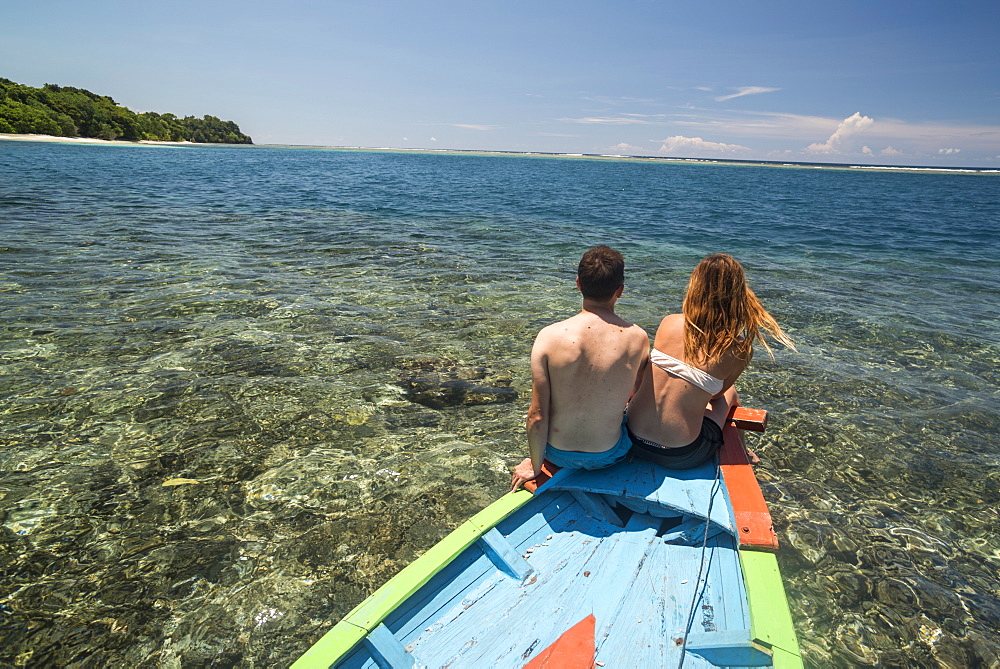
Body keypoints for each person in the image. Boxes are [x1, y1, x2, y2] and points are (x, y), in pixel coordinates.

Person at [625, 253, 794, 469]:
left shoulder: (669, 322)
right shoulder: (739, 347)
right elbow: (715, 395)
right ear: (739, 294)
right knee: (731, 393)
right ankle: (743, 451)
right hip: (679, 454)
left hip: (630, 438)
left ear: (694, 287)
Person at [510, 246, 650, 491]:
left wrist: (535, 464)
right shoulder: (638, 338)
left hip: (556, 454)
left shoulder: (548, 336)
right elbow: (634, 397)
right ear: (620, 291)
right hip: (608, 454)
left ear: (578, 283)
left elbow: (537, 415)